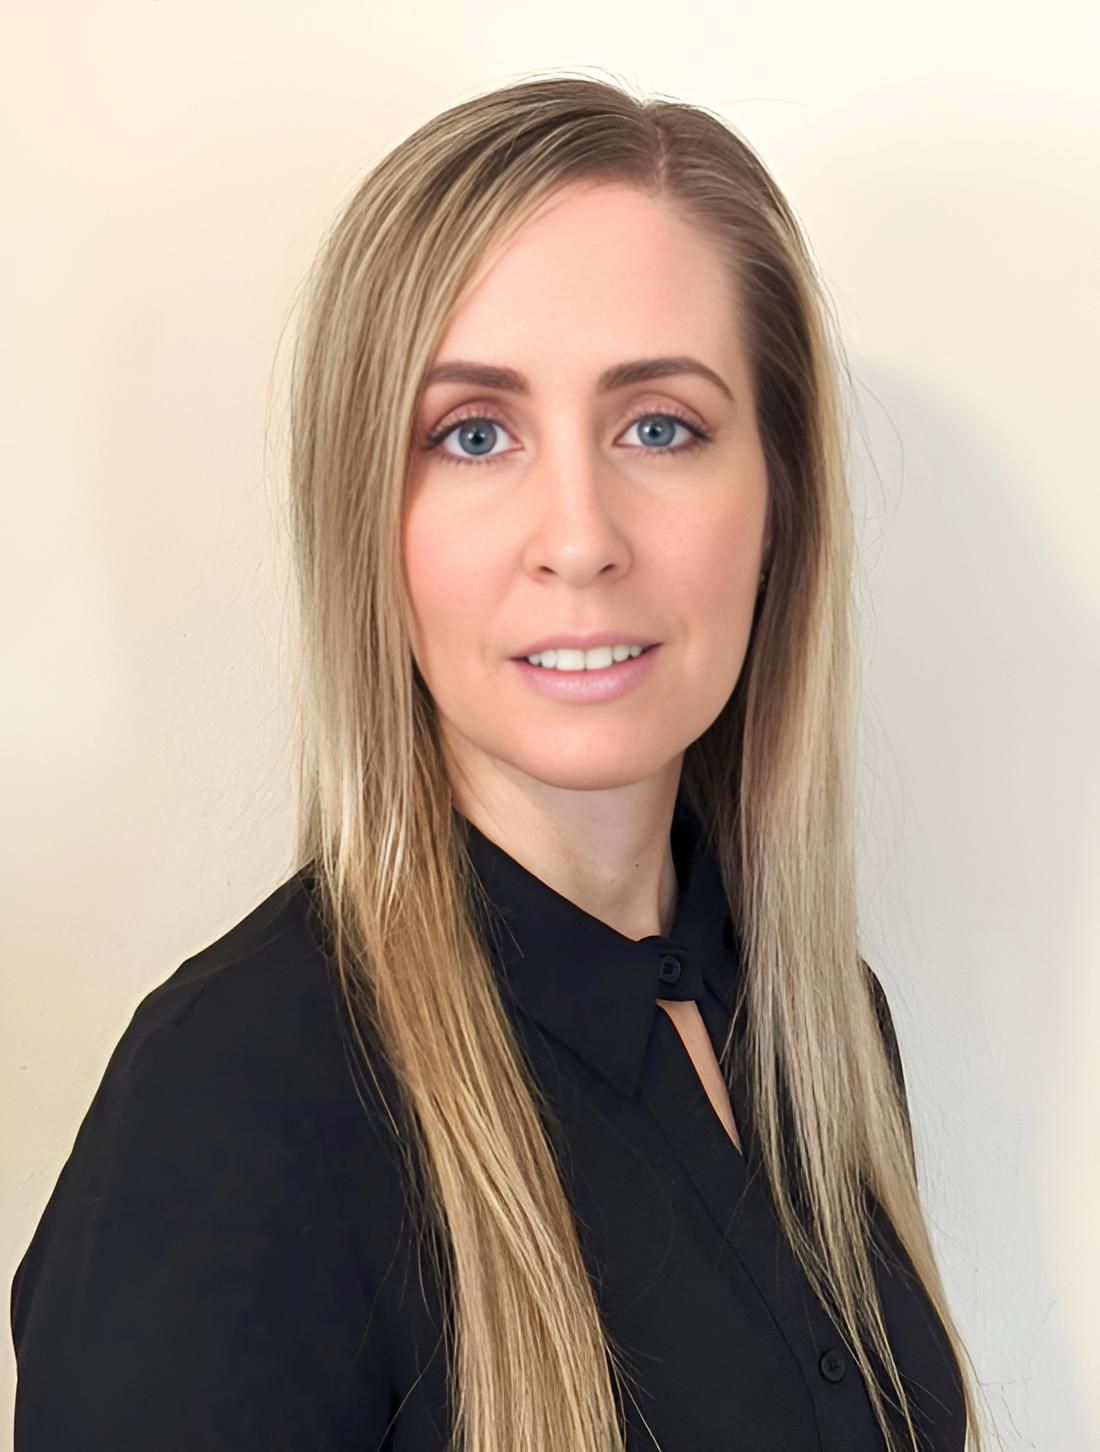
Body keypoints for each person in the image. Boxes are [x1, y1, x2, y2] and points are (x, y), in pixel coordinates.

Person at [10, 71, 985, 1452]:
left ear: (780, 501)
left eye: (661, 427)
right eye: (474, 435)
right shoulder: (234, 1116)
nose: (579, 536)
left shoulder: (823, 1028)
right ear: (367, 519)